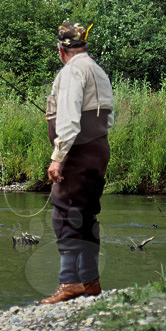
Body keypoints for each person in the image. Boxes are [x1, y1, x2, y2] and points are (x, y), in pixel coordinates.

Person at [41, 22, 115, 304]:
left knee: (65, 213)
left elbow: (70, 121)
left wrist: (58, 157)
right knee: (86, 215)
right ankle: (90, 282)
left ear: (61, 50)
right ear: (83, 45)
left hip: (79, 151)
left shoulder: (72, 71)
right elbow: (108, 117)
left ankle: (70, 282)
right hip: (99, 148)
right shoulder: (97, 69)